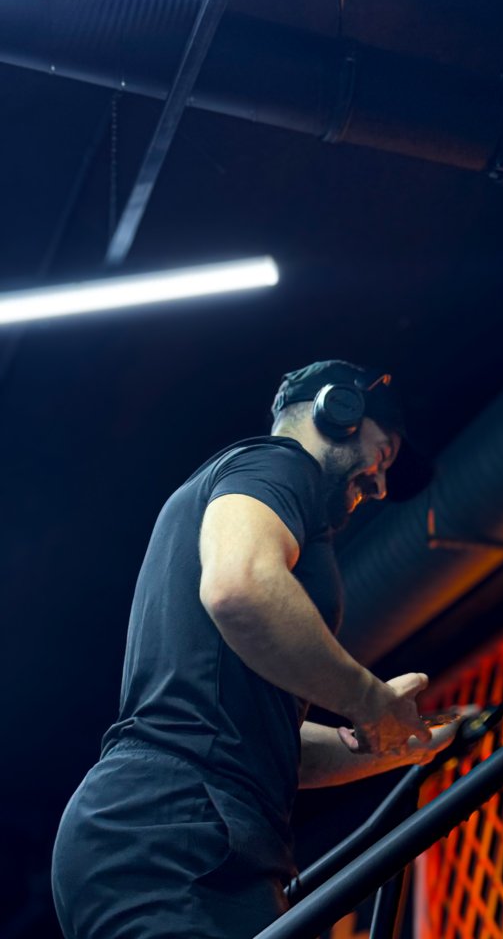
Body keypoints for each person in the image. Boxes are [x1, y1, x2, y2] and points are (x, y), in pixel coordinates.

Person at [52, 360, 460, 939]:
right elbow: (238, 588)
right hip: (179, 828)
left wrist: (395, 742)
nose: (380, 482)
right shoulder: (276, 464)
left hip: (172, 826)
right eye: (383, 453)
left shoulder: (256, 481)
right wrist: (368, 698)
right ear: (338, 412)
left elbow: (256, 743)